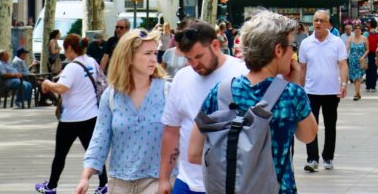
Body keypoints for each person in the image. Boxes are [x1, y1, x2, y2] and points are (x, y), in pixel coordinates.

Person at [189, 11, 318, 194]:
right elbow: (308, 136)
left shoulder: (222, 92)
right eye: (292, 46)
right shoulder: (291, 94)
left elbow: (194, 152)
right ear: (278, 50)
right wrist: (295, 82)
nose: (293, 53)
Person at [75, 29, 169, 194]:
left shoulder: (168, 92)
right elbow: (100, 139)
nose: (154, 59)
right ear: (129, 57)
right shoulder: (111, 96)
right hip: (119, 184)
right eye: (147, 53)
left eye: (155, 53)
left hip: (157, 182)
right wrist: (85, 178)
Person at [158, 20, 246, 194]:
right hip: (186, 183)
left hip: (229, 183)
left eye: (199, 57)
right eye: (189, 59)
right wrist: (163, 179)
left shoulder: (242, 74)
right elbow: (172, 130)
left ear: (215, 45)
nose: (194, 64)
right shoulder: (181, 78)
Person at [36, 35, 108, 194]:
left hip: (70, 119)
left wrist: (47, 83)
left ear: (69, 48)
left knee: (60, 154)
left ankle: (51, 186)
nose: (64, 51)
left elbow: (62, 88)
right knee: (94, 151)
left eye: (64, 48)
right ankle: (104, 184)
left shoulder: (72, 67)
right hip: (91, 117)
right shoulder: (91, 62)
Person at [299, 9, 348, 172]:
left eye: (321, 20)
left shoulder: (336, 42)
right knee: (310, 126)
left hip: (331, 91)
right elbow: (302, 68)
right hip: (311, 91)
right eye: (315, 20)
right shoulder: (306, 43)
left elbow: (343, 64)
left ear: (327, 23)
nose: (318, 23)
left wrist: (343, 84)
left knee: (330, 125)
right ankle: (312, 159)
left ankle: (328, 157)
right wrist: (300, 89)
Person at [347, 22, 368, 101]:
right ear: (353, 30)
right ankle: (358, 93)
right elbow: (347, 48)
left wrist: (363, 57)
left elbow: (367, 50)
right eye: (356, 28)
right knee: (354, 77)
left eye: (359, 29)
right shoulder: (350, 38)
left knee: (358, 77)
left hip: (361, 60)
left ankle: (355, 94)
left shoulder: (364, 38)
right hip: (352, 60)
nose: (357, 30)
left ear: (361, 30)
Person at [366, 19, 378, 93]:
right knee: (374, 70)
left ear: (370, 24)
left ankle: (368, 86)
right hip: (376, 54)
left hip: (367, 53)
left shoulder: (366, 34)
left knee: (368, 70)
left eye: (368, 23)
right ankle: (373, 86)